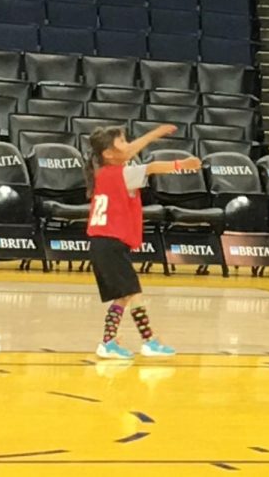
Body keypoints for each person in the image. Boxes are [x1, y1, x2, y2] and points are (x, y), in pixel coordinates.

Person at [85, 124, 201, 360]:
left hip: (104, 243)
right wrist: (182, 165)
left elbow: (131, 150)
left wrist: (156, 133)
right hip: (110, 243)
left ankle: (141, 340)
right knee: (127, 293)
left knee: (130, 293)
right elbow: (153, 167)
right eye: (122, 142)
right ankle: (118, 341)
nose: (128, 146)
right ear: (108, 153)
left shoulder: (104, 173)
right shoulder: (123, 174)